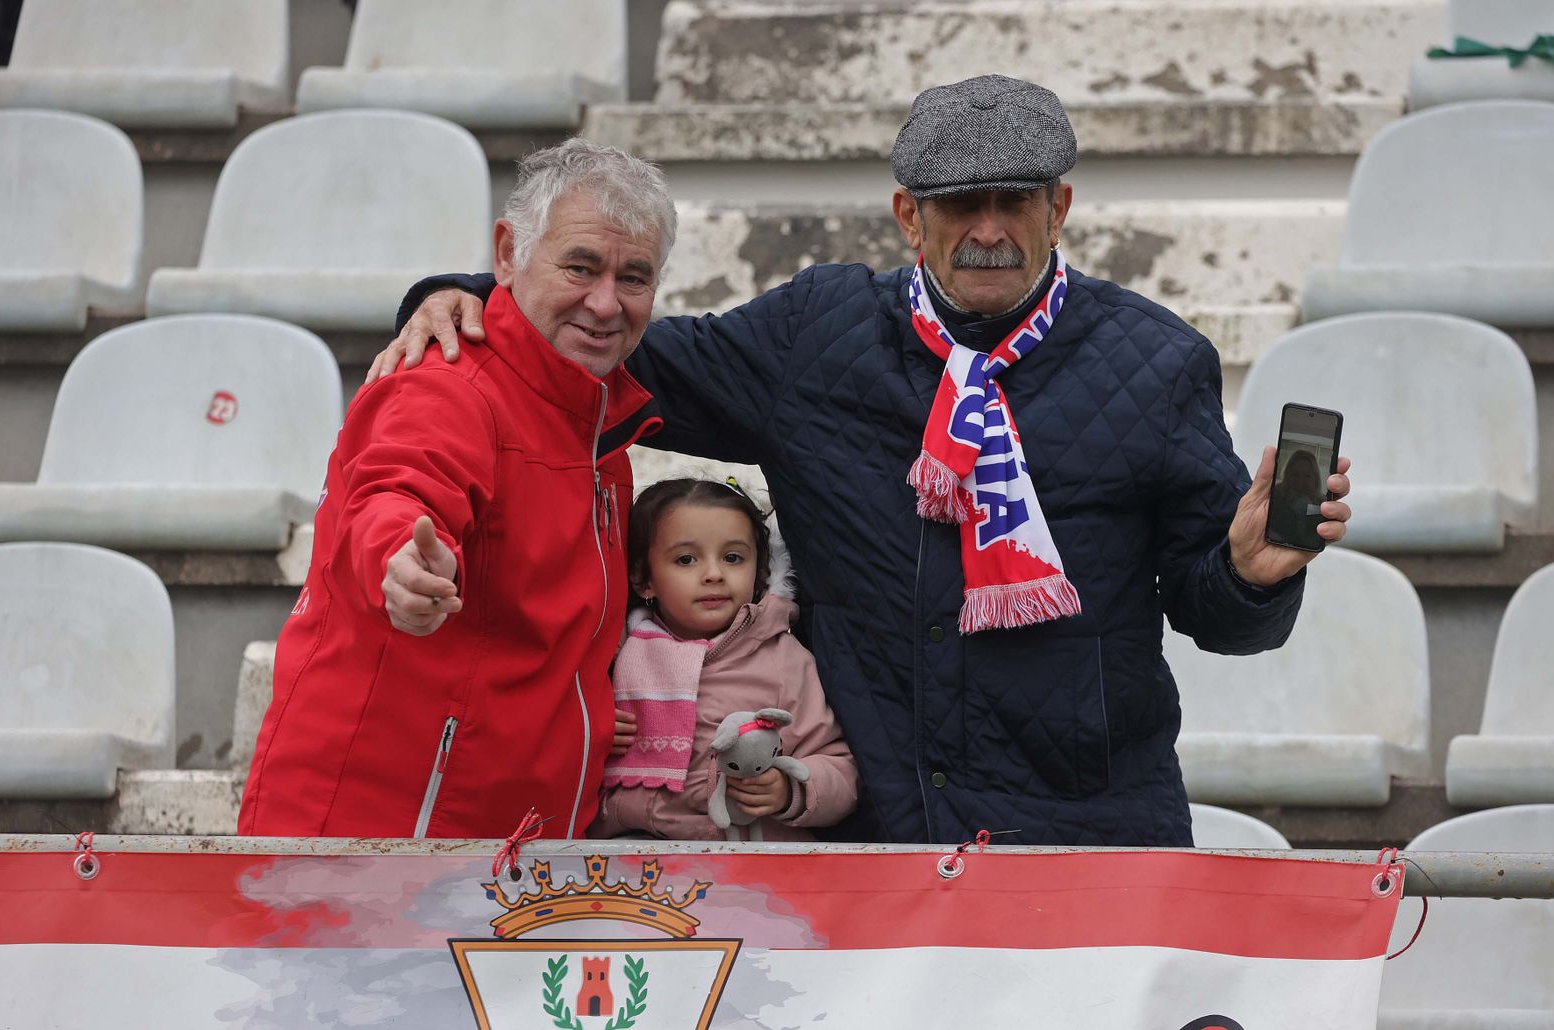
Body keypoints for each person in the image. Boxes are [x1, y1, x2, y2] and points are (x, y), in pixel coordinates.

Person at [371, 76, 1354, 846]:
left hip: (1088, 833)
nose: (987, 229)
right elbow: (613, 346)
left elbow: (1218, 618)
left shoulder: (1156, 361)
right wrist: (470, 295)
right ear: (906, 216)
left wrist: (1249, 574)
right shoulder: (818, 334)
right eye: (958, 203)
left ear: (1058, 208)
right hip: (869, 829)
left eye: (1014, 201)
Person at [237, 139, 675, 839]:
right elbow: (395, 494)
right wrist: (402, 565)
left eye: (634, 278)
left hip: (511, 856)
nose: (605, 303)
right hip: (379, 842)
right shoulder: (447, 385)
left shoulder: (595, 417)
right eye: (580, 267)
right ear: (508, 255)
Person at [595, 478, 858, 841]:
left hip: (750, 861)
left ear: (759, 570)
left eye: (733, 558)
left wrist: (788, 790)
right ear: (643, 579)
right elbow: (556, 737)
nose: (714, 574)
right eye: (686, 559)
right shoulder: (614, 652)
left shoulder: (782, 658)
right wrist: (590, 735)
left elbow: (840, 768)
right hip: (630, 856)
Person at [1268, 449, 1329, 551]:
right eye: (1295, 474)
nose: (1300, 482)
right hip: (1274, 550)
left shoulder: (1323, 505)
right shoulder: (1275, 495)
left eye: (1307, 476)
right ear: (1287, 474)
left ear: (1315, 478)